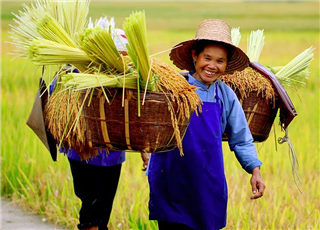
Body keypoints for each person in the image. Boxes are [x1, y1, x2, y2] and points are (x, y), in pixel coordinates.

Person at [146, 19, 266, 230]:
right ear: (195, 55)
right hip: (171, 179)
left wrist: (255, 171)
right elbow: (150, 123)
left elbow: (241, 138)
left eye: (220, 61)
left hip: (205, 182)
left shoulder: (225, 96)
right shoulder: (173, 87)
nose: (212, 66)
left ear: (226, 64)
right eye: (207, 58)